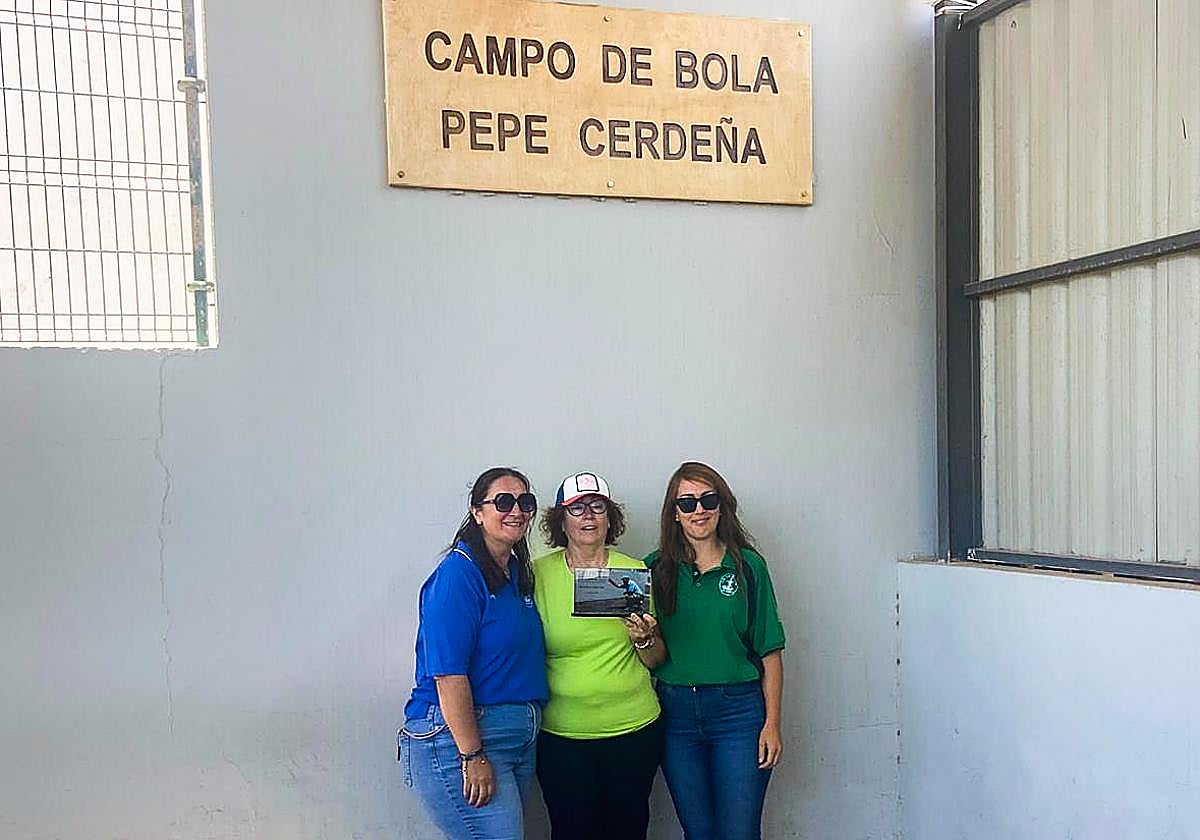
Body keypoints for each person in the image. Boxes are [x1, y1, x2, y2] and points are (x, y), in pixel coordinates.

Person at [398, 467, 548, 840]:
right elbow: (448, 674)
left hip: (515, 736)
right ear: (477, 511)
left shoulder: (514, 571)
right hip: (462, 738)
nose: (516, 510)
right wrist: (471, 754)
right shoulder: (458, 574)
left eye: (524, 502)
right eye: (503, 501)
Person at [646, 461, 786, 840]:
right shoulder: (653, 571)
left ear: (722, 506)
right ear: (674, 513)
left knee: (739, 831)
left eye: (708, 499)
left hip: (738, 713)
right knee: (698, 830)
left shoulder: (748, 566)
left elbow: (770, 652)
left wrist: (771, 724)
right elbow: (646, 650)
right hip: (675, 714)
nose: (699, 510)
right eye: (687, 503)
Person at [533, 471, 665, 840]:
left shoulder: (635, 571)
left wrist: (644, 640)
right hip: (562, 736)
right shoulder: (536, 575)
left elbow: (656, 659)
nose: (588, 516)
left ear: (610, 518)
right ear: (561, 520)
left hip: (633, 730)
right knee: (571, 831)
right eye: (576, 509)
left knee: (628, 830)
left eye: (597, 507)